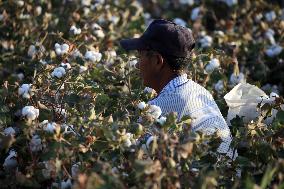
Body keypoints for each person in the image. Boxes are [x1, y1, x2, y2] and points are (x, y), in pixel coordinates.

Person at [120, 19, 236, 159]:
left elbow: (136, 159)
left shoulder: (157, 109)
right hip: (231, 177)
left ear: (157, 61)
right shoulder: (199, 91)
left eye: (141, 56)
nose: (137, 65)